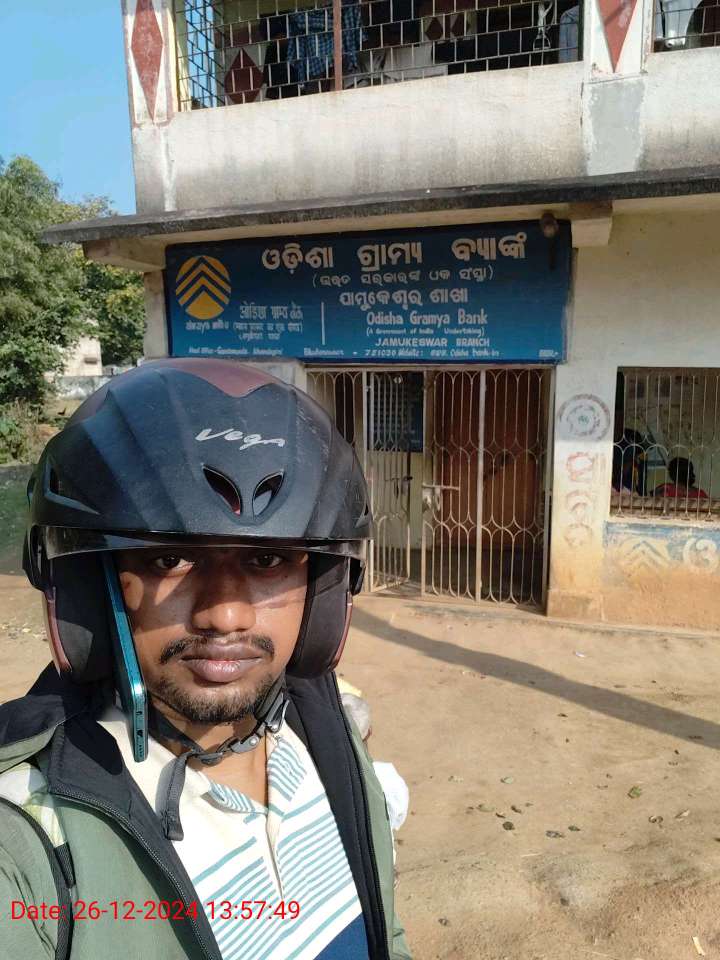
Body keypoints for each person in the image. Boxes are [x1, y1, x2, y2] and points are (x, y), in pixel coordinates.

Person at [0, 359, 411, 960]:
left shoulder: (330, 728)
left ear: (322, 588)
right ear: (89, 583)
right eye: (169, 560)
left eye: (267, 561)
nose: (225, 615)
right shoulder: (30, 833)